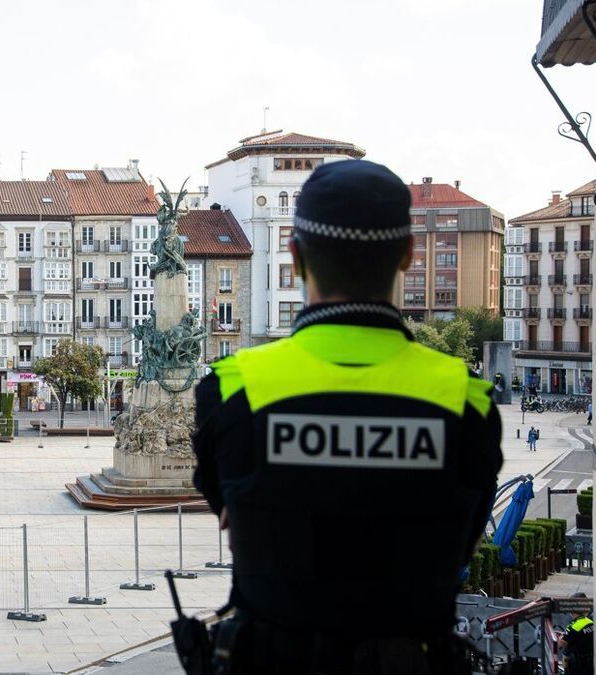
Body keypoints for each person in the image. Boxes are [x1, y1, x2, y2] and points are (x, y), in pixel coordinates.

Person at [191, 160, 503, 674]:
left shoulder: (231, 389)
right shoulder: (467, 401)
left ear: (294, 257)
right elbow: (465, 535)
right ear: (406, 255)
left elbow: (228, 509)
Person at [558, 594, 593, 675]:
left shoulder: (572, 627)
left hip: (577, 665)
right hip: (591, 663)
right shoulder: (591, 622)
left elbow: (560, 645)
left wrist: (560, 637)